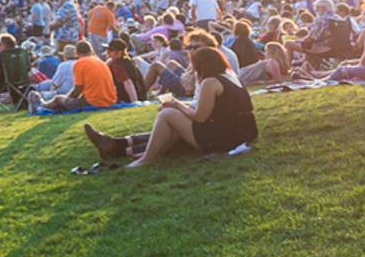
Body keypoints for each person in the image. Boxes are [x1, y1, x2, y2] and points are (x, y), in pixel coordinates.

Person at [84, 47, 257, 168]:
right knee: (173, 117)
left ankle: (146, 159)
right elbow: (210, 110)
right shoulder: (229, 77)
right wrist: (179, 106)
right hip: (242, 131)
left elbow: (200, 117)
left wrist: (176, 105)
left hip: (227, 137)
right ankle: (120, 147)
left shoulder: (210, 82)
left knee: (167, 114)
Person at [30, 41, 117, 113]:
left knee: (58, 99)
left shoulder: (80, 63)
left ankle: (41, 106)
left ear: (77, 52)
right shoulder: (100, 62)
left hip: (93, 102)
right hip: (110, 100)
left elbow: (77, 90)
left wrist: (66, 98)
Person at [105, 39, 146, 104]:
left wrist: (135, 102)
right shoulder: (129, 61)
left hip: (128, 98)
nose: (107, 52)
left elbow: (128, 83)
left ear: (119, 52)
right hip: (141, 95)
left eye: (111, 50)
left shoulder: (116, 65)